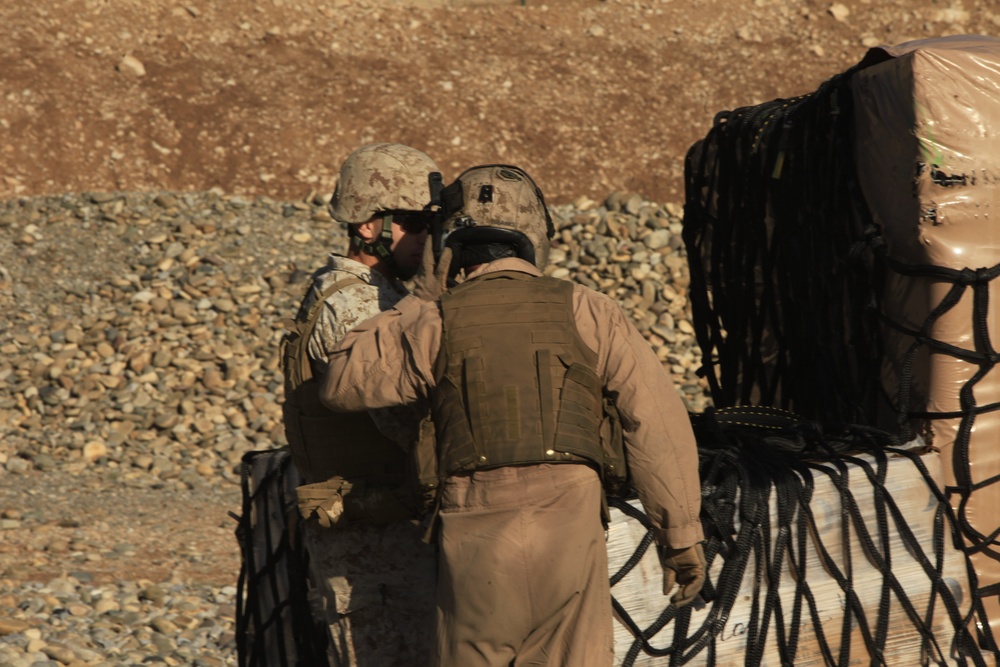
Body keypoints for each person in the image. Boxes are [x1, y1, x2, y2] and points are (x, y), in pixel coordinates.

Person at [320, 164, 706, 667]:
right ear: (535, 235)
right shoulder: (590, 309)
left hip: (474, 536)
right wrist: (679, 538)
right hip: (571, 527)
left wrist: (423, 294)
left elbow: (342, 383)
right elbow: (657, 426)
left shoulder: (435, 319)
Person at [280, 142, 442, 666]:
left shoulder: (371, 293)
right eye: (417, 223)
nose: (428, 238)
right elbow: (405, 424)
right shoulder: (359, 303)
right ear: (370, 226)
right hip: (377, 554)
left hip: (382, 542)